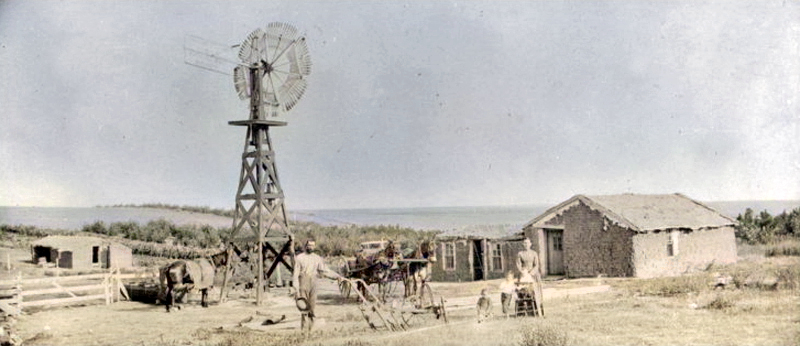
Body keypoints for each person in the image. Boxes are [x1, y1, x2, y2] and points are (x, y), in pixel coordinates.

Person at [291, 239, 343, 333]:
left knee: (312, 306)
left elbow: (325, 270)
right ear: (305, 246)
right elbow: (295, 274)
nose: (310, 247)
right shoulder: (299, 258)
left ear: (314, 247)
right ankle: (304, 330)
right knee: (304, 307)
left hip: (313, 281)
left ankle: (311, 329)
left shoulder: (317, 258)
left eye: (312, 245)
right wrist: (295, 288)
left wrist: (336, 276)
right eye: (309, 245)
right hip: (303, 281)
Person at [515, 237, 544, 316]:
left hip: (533, 275)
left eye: (527, 243)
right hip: (524, 275)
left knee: (534, 292)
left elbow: (536, 265)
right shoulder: (520, 254)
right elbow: (518, 264)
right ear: (523, 244)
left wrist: (531, 273)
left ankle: (537, 311)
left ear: (530, 244)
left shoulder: (534, 253)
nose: (526, 245)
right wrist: (523, 272)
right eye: (524, 243)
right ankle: (523, 312)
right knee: (523, 292)